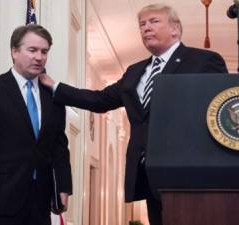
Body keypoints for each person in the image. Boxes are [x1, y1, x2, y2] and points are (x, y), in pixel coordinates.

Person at [40, 3, 228, 225]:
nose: (146, 28)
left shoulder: (204, 61)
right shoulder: (134, 71)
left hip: (188, 170)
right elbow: (99, 100)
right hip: (147, 170)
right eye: (142, 24)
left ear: (175, 29)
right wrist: (55, 87)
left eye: (154, 21)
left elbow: (219, 108)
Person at [0, 24, 72, 225]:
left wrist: (63, 186)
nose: (39, 57)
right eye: (32, 50)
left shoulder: (53, 96)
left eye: (44, 51)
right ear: (14, 51)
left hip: (40, 203)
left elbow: (59, 145)